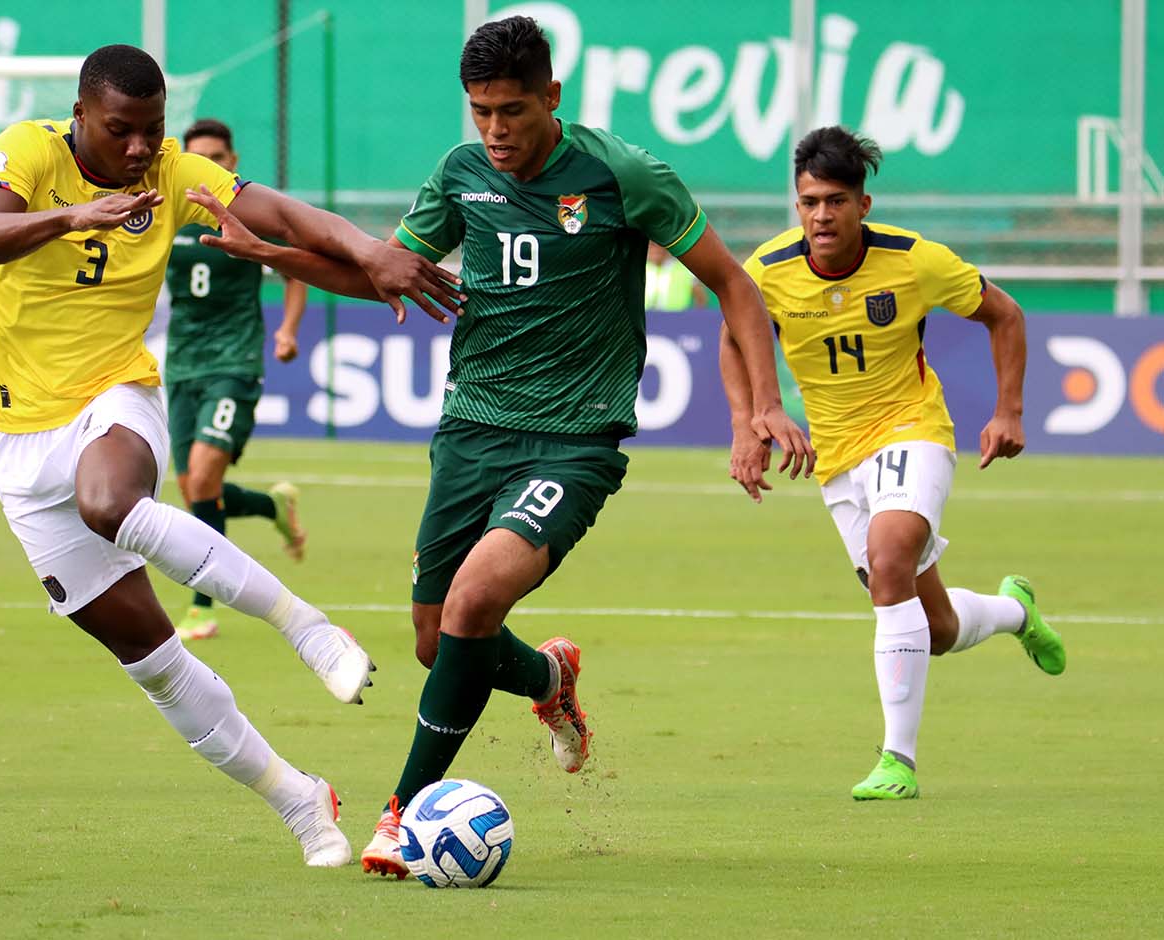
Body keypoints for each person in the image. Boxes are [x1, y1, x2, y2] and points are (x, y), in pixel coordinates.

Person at [184, 15, 813, 879]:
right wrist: (273, 253)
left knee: (472, 605)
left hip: (574, 437)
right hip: (470, 429)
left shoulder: (620, 173)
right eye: (481, 111)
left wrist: (758, 411)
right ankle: (550, 681)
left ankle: (397, 816)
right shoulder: (460, 172)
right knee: (437, 644)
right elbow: (388, 275)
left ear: (552, 97)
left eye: (512, 110)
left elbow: (734, 286)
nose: (496, 130)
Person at [0, 44, 462, 868]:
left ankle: (308, 627)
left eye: (151, 132)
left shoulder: (174, 174)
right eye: (120, 132)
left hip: (114, 399)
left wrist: (368, 251)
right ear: (81, 116)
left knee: (110, 503)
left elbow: (288, 217)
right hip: (18, 447)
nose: (136, 151)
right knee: (153, 664)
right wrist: (72, 215)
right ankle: (299, 799)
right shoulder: (32, 150)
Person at [719, 125, 1067, 801]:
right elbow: (733, 339)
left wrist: (1009, 412)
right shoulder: (766, 271)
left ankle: (896, 762)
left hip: (912, 428)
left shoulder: (914, 261)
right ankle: (1015, 612)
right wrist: (750, 421)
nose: (821, 214)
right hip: (837, 456)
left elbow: (1005, 315)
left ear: (862, 205)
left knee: (888, 558)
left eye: (835, 201)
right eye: (809, 201)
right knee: (930, 629)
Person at [164, 118, 310, 642]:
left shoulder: (246, 219)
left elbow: (296, 272)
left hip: (235, 363)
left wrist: (288, 331)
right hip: (181, 366)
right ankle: (273, 506)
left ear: (232, 163)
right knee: (194, 490)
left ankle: (203, 605)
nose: (208, 168)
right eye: (197, 158)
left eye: (218, 159)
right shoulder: (164, 217)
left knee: (202, 481)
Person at [645, 239, 707, 311]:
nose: (655, 250)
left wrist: (694, 319)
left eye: (658, 246)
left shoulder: (685, 269)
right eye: (652, 246)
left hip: (676, 319)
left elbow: (700, 298)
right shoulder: (638, 268)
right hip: (646, 319)